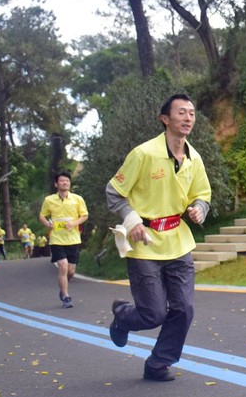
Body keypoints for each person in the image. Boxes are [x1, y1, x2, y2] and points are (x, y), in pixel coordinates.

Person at [105, 94, 212, 381]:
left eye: (191, 113)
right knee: (153, 314)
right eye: (181, 112)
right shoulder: (144, 154)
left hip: (178, 242)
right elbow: (114, 192)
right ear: (165, 119)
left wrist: (199, 208)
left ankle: (158, 363)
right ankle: (123, 315)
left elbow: (203, 194)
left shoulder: (194, 158)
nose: (188, 117)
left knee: (184, 309)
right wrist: (132, 220)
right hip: (145, 244)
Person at [40, 172, 89, 309]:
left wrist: (73, 224)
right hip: (56, 239)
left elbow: (84, 215)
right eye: (62, 181)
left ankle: (63, 286)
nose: (65, 183)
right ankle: (66, 296)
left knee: (71, 270)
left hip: (73, 238)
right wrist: (47, 223)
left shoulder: (77, 199)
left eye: (67, 181)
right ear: (56, 184)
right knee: (63, 266)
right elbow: (42, 216)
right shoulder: (49, 200)